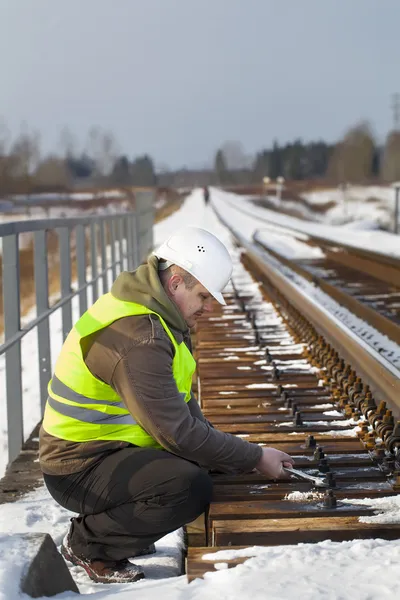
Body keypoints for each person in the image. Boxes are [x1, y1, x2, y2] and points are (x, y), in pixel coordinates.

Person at [39, 226, 294, 584]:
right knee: (187, 487)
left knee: (210, 462)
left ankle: (123, 529)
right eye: (204, 297)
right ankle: (89, 542)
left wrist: (232, 455)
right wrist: (254, 456)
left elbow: (183, 410)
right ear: (175, 283)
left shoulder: (160, 316)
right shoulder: (140, 336)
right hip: (76, 467)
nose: (207, 308)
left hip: (110, 451)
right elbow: (178, 433)